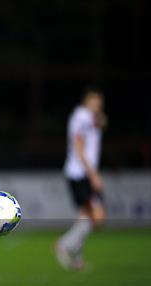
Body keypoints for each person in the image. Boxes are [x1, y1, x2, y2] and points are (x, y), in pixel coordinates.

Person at [56, 86, 107, 270]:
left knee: (84, 216)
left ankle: (75, 257)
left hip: (82, 173)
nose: (98, 105)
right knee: (97, 216)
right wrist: (93, 175)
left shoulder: (89, 117)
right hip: (80, 174)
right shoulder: (82, 117)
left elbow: (101, 124)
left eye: (100, 102)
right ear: (86, 101)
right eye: (94, 101)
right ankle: (64, 245)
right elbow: (78, 146)